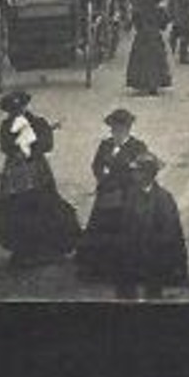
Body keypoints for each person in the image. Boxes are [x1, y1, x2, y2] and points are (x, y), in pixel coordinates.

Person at [0, 91, 80, 266]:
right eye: (13, 110)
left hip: (37, 171)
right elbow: (4, 145)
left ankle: (48, 248)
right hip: (16, 174)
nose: (17, 112)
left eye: (20, 108)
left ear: (25, 106)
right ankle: (23, 250)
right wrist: (16, 150)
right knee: (16, 208)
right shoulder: (6, 126)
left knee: (44, 204)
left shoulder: (38, 123)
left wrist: (31, 147)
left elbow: (47, 144)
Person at [77, 107, 149, 280]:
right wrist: (102, 178)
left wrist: (126, 181)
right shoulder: (105, 144)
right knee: (102, 226)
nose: (115, 133)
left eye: (119, 130)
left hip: (128, 195)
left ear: (128, 129)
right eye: (113, 129)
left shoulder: (138, 147)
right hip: (106, 193)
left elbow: (145, 171)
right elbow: (96, 165)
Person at [110, 152, 189, 301]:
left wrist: (153, 246)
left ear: (148, 174)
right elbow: (124, 223)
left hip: (154, 254)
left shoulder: (163, 198)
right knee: (126, 291)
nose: (133, 175)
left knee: (152, 292)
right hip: (132, 253)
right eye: (133, 171)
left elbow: (170, 232)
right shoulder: (131, 194)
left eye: (138, 172)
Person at [126, 0, 172, 95]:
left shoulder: (137, 2)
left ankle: (141, 84)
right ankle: (154, 84)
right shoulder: (157, 2)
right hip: (154, 35)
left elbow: (134, 20)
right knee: (155, 59)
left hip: (141, 35)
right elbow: (164, 21)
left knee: (140, 59)